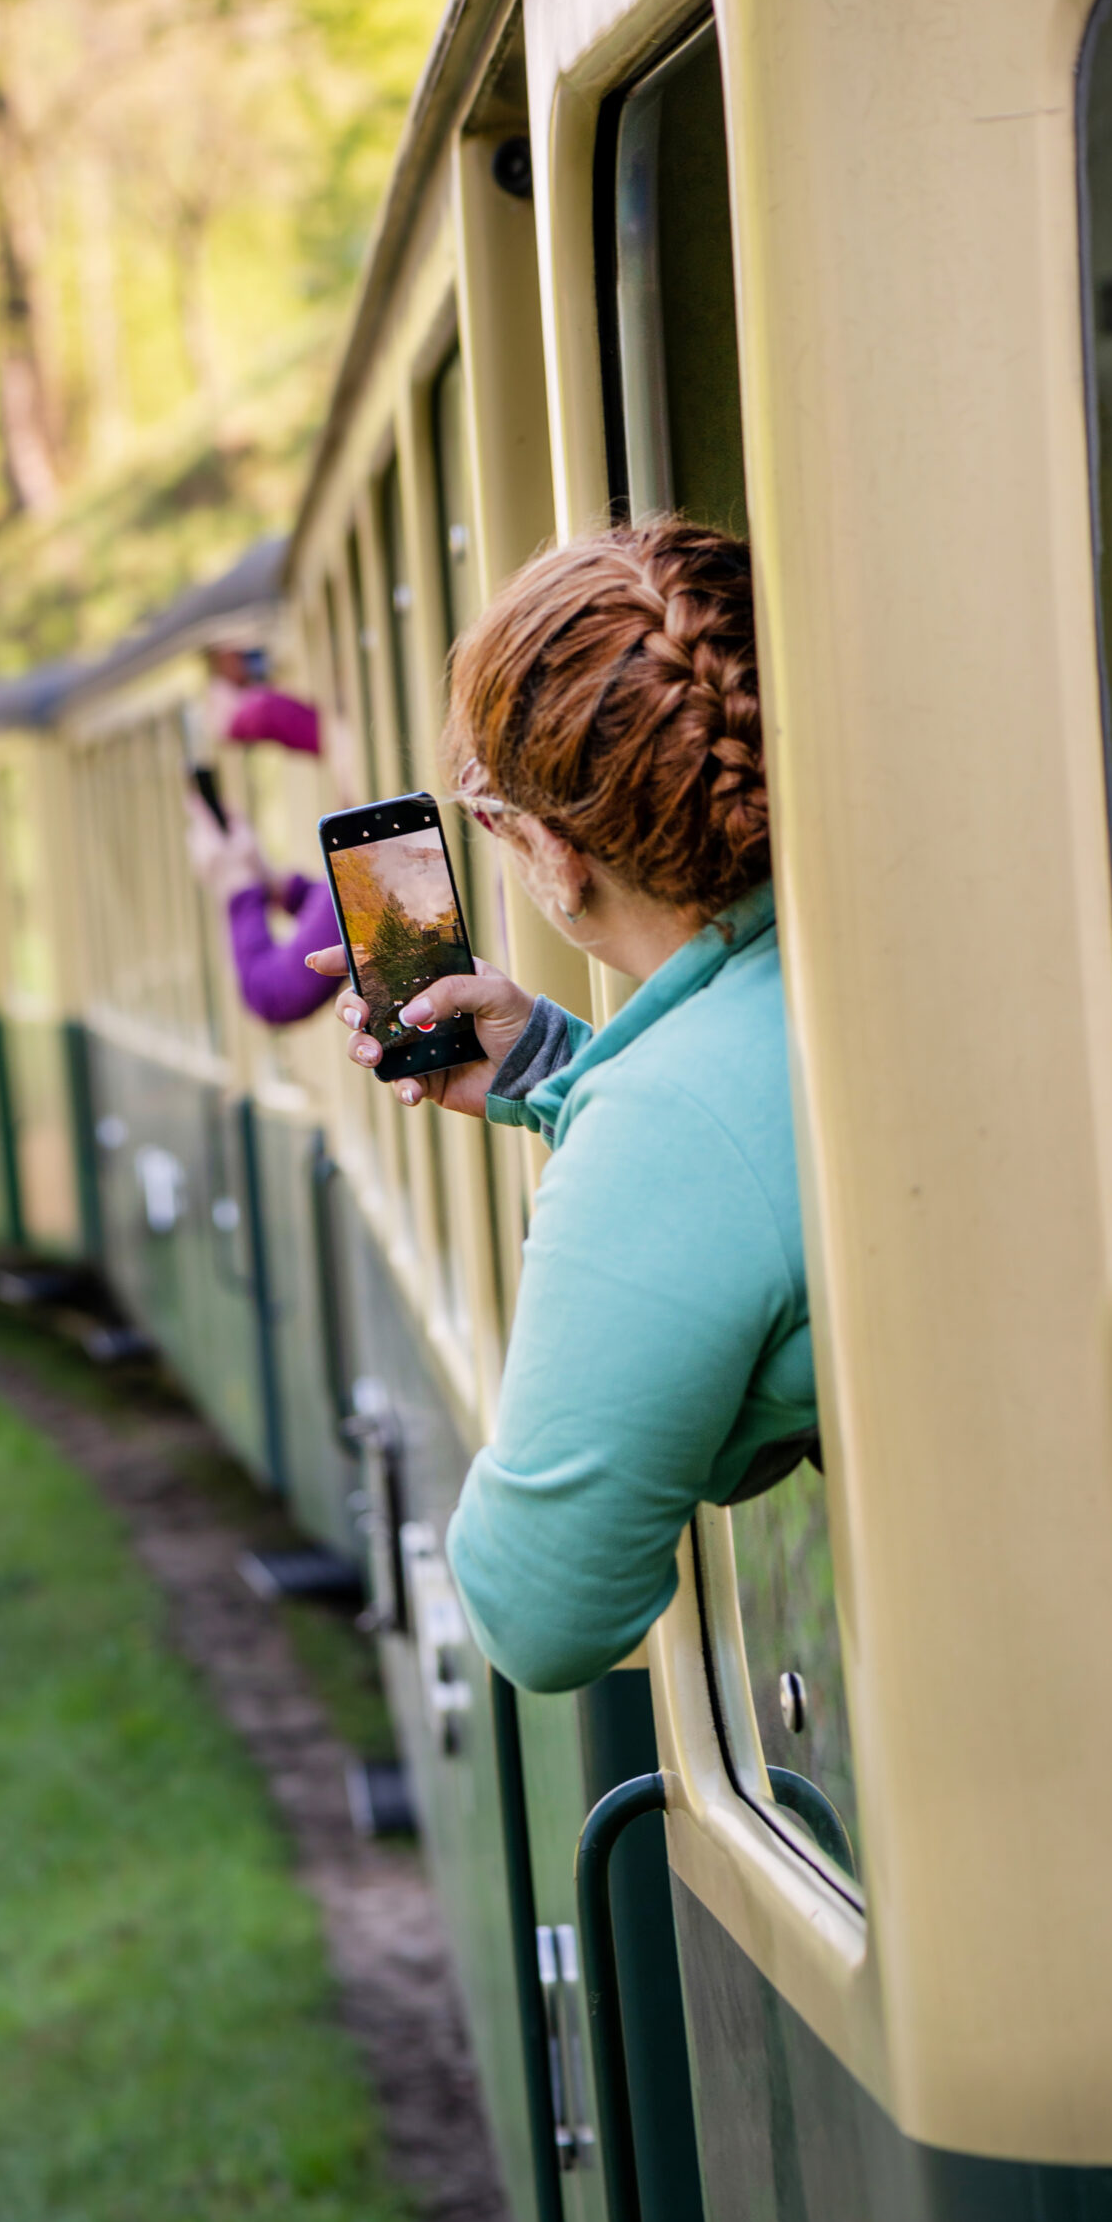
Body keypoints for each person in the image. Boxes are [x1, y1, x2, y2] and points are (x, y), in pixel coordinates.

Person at [306, 519, 815, 1694]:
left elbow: (537, 1614)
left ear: (551, 852)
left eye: (486, 814)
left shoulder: (664, 1131)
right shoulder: (852, 962)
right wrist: (554, 1068)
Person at [185, 657, 341, 1027]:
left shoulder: (388, 843)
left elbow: (274, 992)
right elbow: (339, 908)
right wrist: (274, 885)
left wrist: (235, 883)